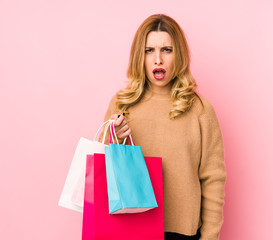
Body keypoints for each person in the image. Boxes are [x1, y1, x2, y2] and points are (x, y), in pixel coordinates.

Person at [98, 14, 227, 240]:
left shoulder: (200, 110)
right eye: (149, 50)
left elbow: (213, 179)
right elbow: (102, 168)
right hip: (129, 229)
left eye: (167, 50)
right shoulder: (122, 104)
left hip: (182, 233)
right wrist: (113, 138)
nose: (158, 59)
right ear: (140, 56)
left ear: (179, 55)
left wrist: (209, 236)